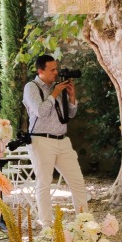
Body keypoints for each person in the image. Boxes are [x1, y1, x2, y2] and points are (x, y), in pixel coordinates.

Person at [23, 54, 87, 227]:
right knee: (44, 183)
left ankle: (84, 223)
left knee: (78, 182)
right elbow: (40, 111)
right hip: (41, 140)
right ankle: (47, 225)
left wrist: (71, 96)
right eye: (52, 70)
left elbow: (70, 114)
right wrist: (54, 93)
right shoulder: (32, 87)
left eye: (56, 69)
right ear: (40, 71)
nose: (56, 73)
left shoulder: (56, 87)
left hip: (63, 140)